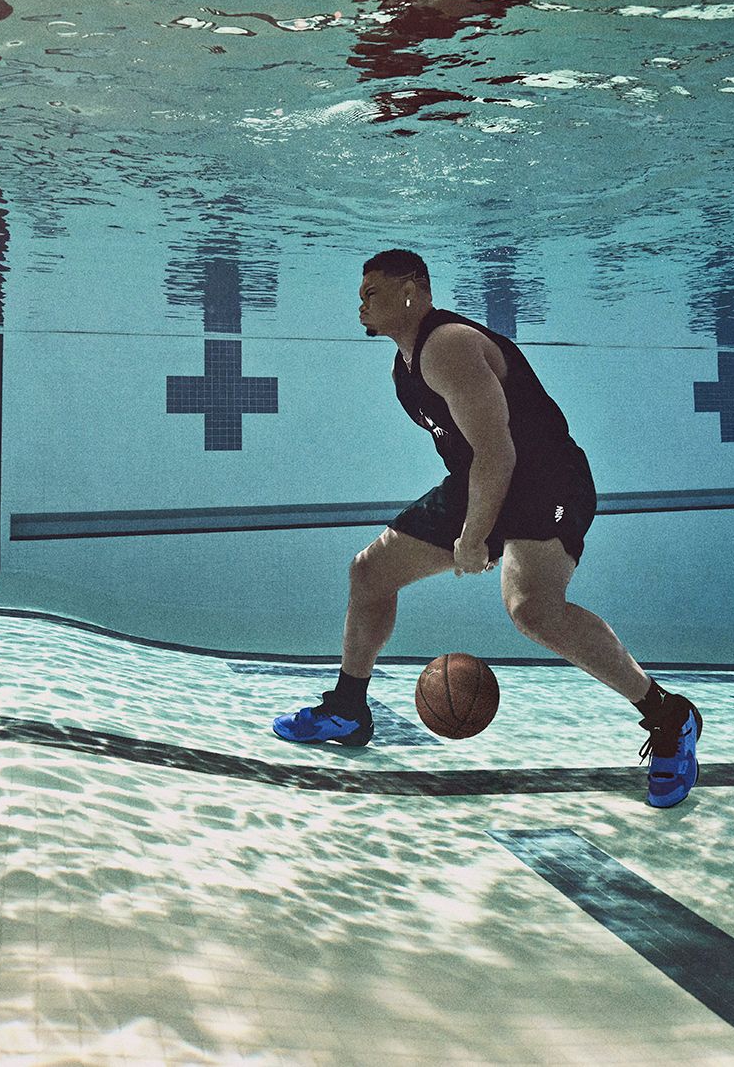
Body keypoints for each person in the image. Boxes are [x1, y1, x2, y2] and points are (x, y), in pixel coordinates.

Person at [273, 249, 703, 808]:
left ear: (413, 290)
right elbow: (479, 458)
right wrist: (474, 523)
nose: (361, 304)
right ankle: (348, 710)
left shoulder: (447, 346)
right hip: (483, 476)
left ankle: (670, 717)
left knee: (534, 612)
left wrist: (475, 537)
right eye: (360, 294)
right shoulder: (404, 365)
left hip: (545, 480)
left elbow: (499, 452)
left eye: (372, 292)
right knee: (370, 573)